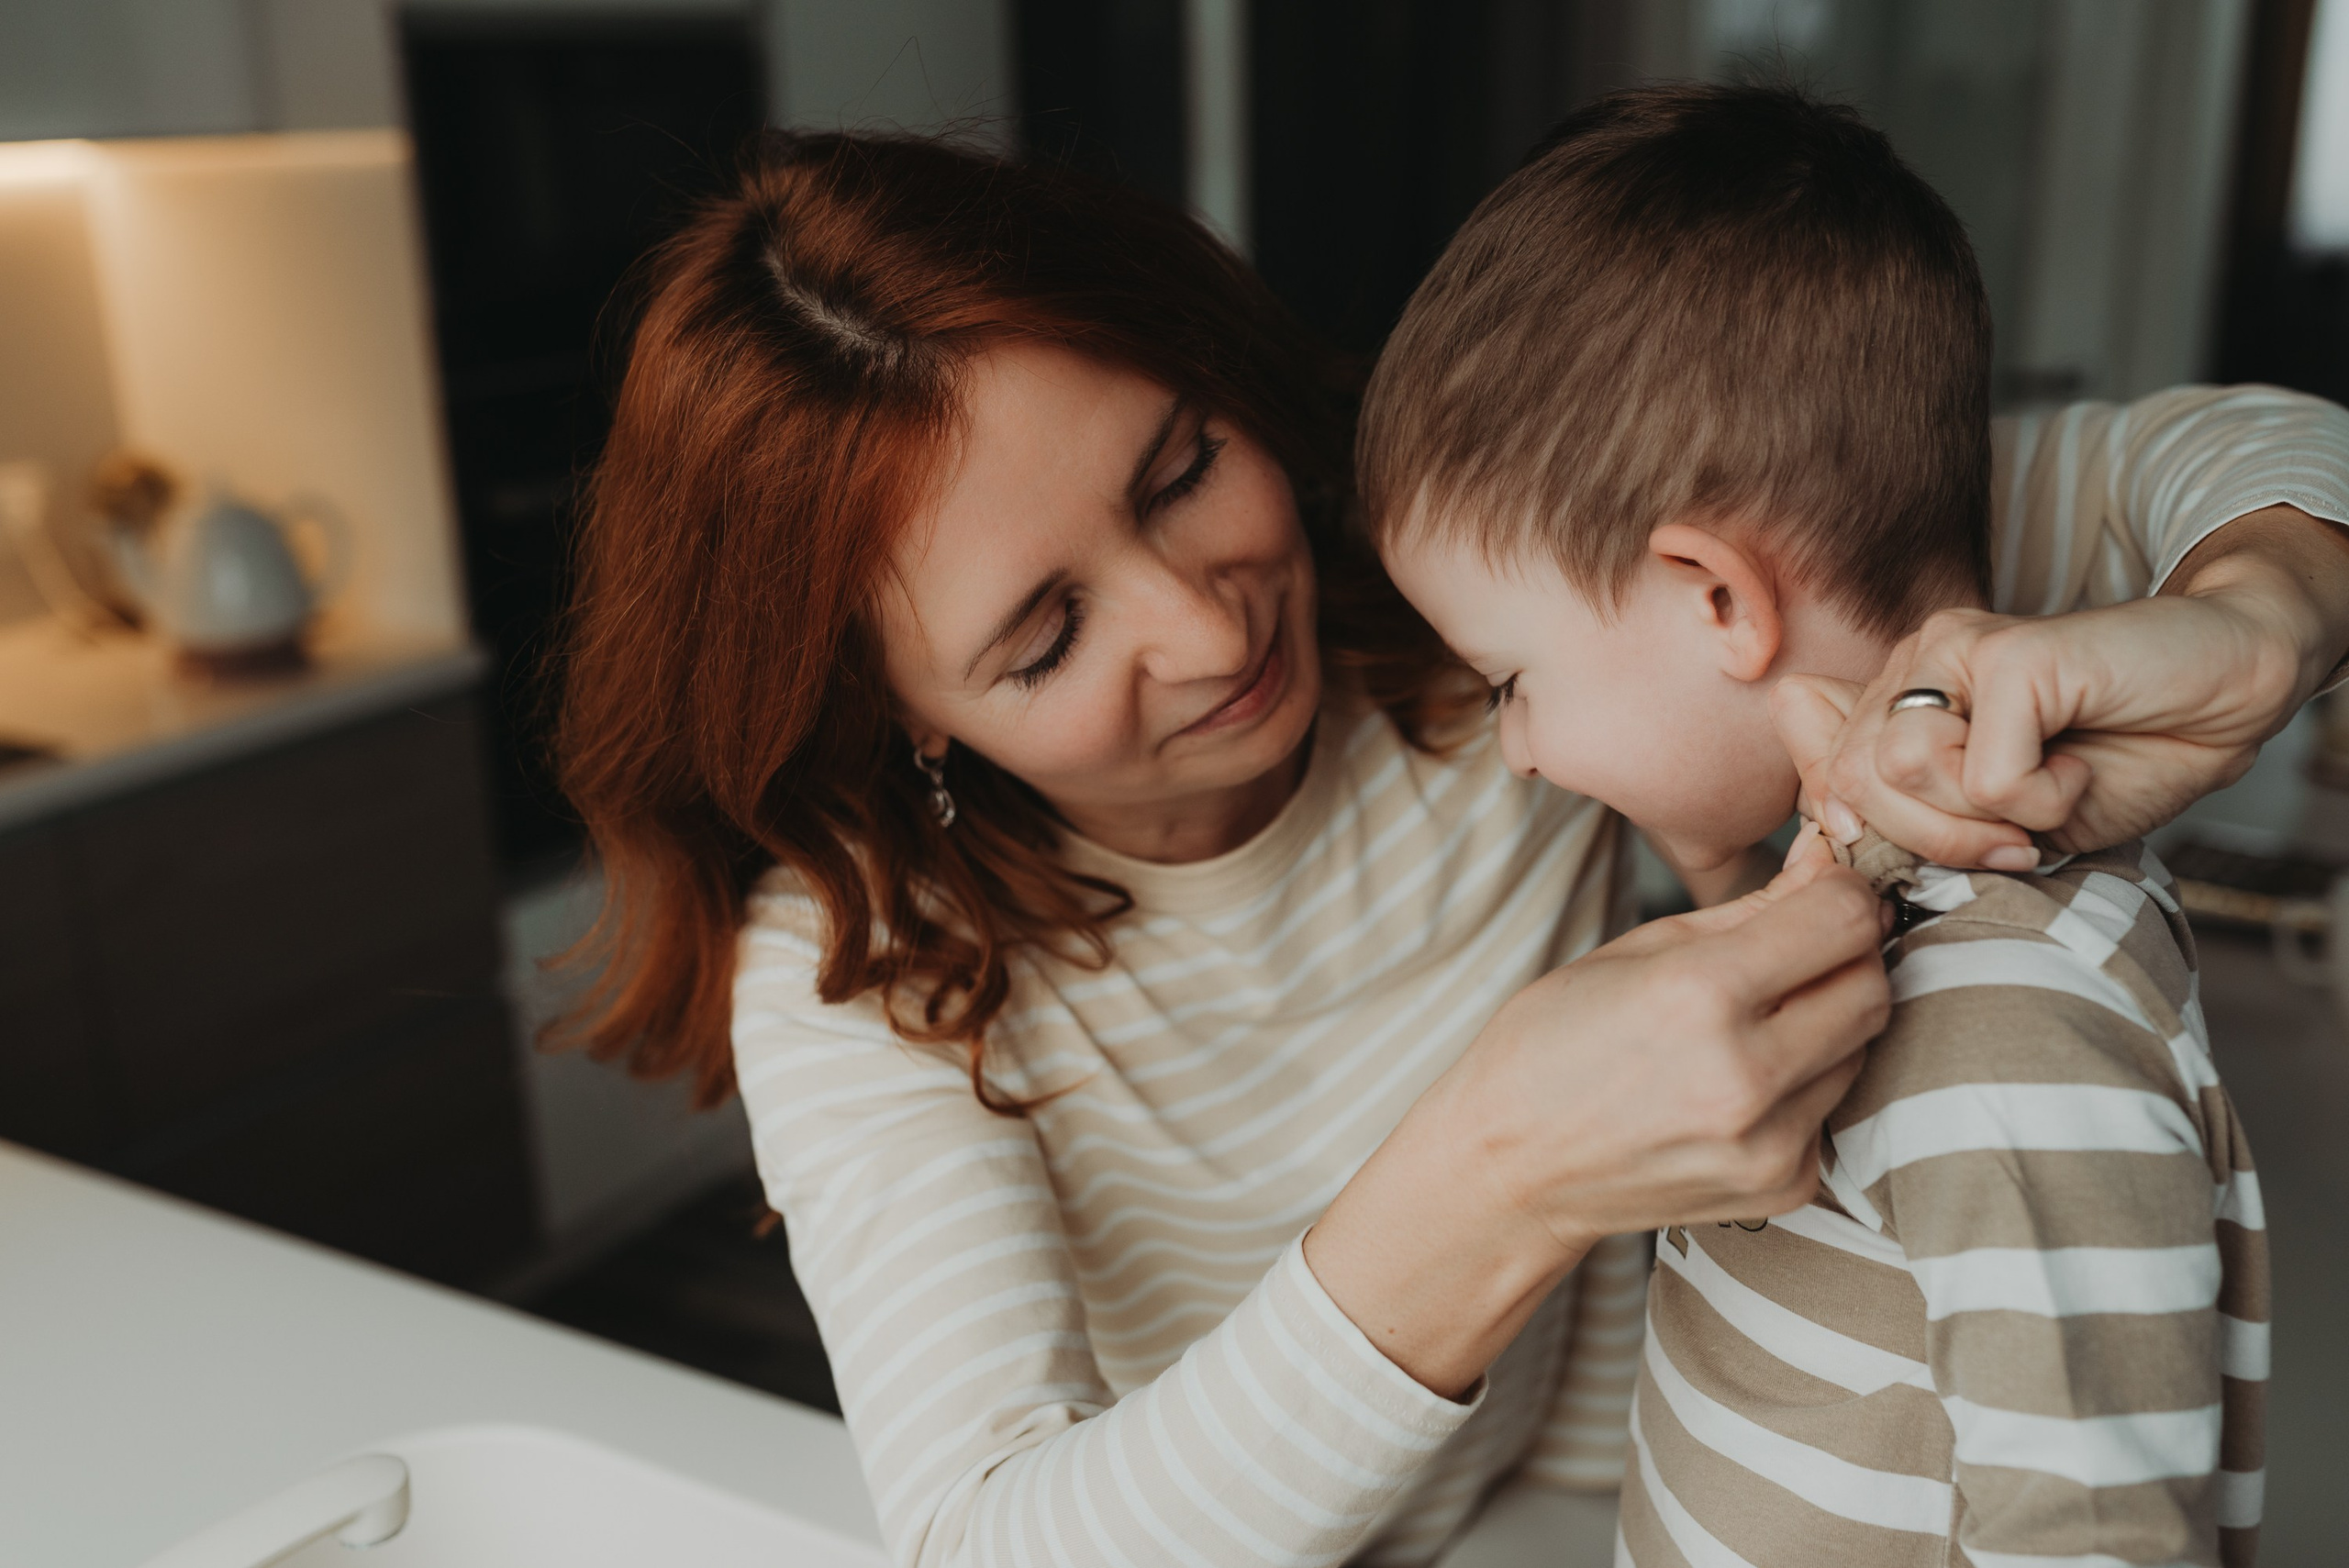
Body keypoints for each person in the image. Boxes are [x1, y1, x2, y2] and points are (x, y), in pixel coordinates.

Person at [552, 128, 2349, 1568]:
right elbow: (983, 1539)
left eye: (1179, 468)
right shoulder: (861, 967)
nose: (1203, 629)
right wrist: (1495, 1173)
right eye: (1040, 636)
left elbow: (2151, 462)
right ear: (903, 712)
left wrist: (2258, 618)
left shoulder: (1475, 632)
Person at [1367, 84, 2274, 1565]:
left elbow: (2097, 1537)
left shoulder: (2004, 1016)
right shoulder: (1839, 909)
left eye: (1512, 682)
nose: (1517, 755)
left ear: (1716, 597)